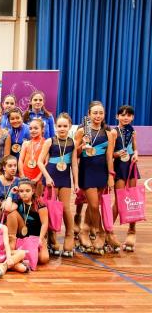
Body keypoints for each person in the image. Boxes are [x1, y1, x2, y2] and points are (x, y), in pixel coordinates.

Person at [74, 101, 115, 254]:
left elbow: (109, 156)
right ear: (89, 114)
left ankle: (85, 229)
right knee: (93, 205)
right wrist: (81, 147)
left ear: (104, 115)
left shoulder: (109, 133)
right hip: (87, 171)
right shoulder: (82, 132)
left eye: (100, 113)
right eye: (95, 113)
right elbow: (75, 154)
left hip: (102, 172)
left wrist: (111, 175)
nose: (98, 116)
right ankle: (100, 232)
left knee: (95, 204)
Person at [37, 113, 78, 257]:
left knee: (66, 208)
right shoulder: (50, 141)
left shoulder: (72, 143)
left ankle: (69, 235)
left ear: (70, 127)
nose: (62, 128)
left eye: (65, 126)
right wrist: (47, 177)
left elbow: (74, 164)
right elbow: (40, 162)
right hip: (50, 179)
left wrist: (76, 182)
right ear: (55, 127)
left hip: (65, 179)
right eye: (59, 126)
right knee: (50, 208)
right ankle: (51, 237)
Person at [111, 105, 140, 251]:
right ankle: (109, 231)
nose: (125, 117)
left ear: (132, 117)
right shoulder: (113, 132)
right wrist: (117, 154)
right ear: (117, 117)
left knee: (133, 198)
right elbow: (110, 154)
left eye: (128, 115)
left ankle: (132, 231)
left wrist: (136, 153)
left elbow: (135, 147)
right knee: (119, 200)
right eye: (122, 115)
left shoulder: (132, 131)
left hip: (131, 165)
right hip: (119, 166)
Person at [4, 179, 50, 267]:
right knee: (11, 213)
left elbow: (45, 223)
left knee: (43, 259)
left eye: (27, 191)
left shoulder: (39, 204)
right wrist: (10, 193)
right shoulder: (18, 202)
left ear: (33, 191)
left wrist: (41, 238)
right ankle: (12, 241)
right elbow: (7, 209)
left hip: (36, 235)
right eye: (21, 191)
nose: (24, 193)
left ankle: (20, 254)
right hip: (22, 231)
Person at [18, 119, 46, 190]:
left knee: (37, 199)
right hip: (25, 176)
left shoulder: (46, 143)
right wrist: (22, 175)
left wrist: (38, 178)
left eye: (36, 128)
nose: (33, 130)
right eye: (30, 128)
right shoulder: (26, 143)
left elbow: (46, 163)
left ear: (42, 129)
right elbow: (20, 160)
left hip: (39, 177)